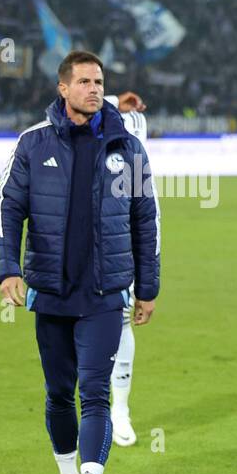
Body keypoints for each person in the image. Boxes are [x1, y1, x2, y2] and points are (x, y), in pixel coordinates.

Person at [0, 50, 159, 474]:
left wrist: (148, 286)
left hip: (105, 294)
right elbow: (6, 206)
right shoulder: (33, 143)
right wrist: (8, 269)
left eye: (99, 81)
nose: (94, 89)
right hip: (50, 291)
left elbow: (145, 221)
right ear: (63, 88)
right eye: (84, 81)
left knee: (94, 392)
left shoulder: (126, 148)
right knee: (57, 393)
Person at [104, 90, 149, 447]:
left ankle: (120, 409)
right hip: (82, 246)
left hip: (123, 243)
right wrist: (115, 99)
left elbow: (151, 216)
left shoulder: (133, 139)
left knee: (121, 321)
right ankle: (90, 407)